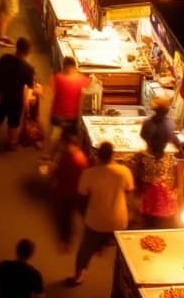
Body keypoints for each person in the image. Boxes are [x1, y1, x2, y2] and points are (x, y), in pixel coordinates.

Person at [70, 141, 135, 285]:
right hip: (119, 220)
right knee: (122, 252)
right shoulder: (124, 172)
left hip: (96, 221)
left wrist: (85, 216)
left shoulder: (89, 174)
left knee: (84, 252)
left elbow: (81, 199)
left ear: (97, 155)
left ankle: (78, 277)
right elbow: (129, 196)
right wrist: (130, 215)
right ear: (113, 155)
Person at [0, 37, 38, 152]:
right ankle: (12, 143)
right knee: (14, 124)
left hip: (0, 95)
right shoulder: (29, 69)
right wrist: (26, 103)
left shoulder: (5, 58)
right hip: (16, 101)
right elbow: (29, 88)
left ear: (17, 47)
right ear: (28, 52)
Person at [50, 128, 89, 249]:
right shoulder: (80, 157)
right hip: (74, 192)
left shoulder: (70, 158)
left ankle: (65, 240)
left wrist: (52, 171)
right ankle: (67, 238)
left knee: (65, 217)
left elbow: (58, 173)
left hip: (66, 192)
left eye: (62, 142)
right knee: (68, 216)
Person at [45, 57, 90, 154]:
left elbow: (49, 93)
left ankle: (48, 156)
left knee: (54, 136)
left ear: (64, 66)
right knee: (71, 140)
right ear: (75, 67)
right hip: (72, 118)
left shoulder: (56, 78)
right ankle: (67, 156)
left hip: (56, 116)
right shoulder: (83, 80)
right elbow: (90, 87)